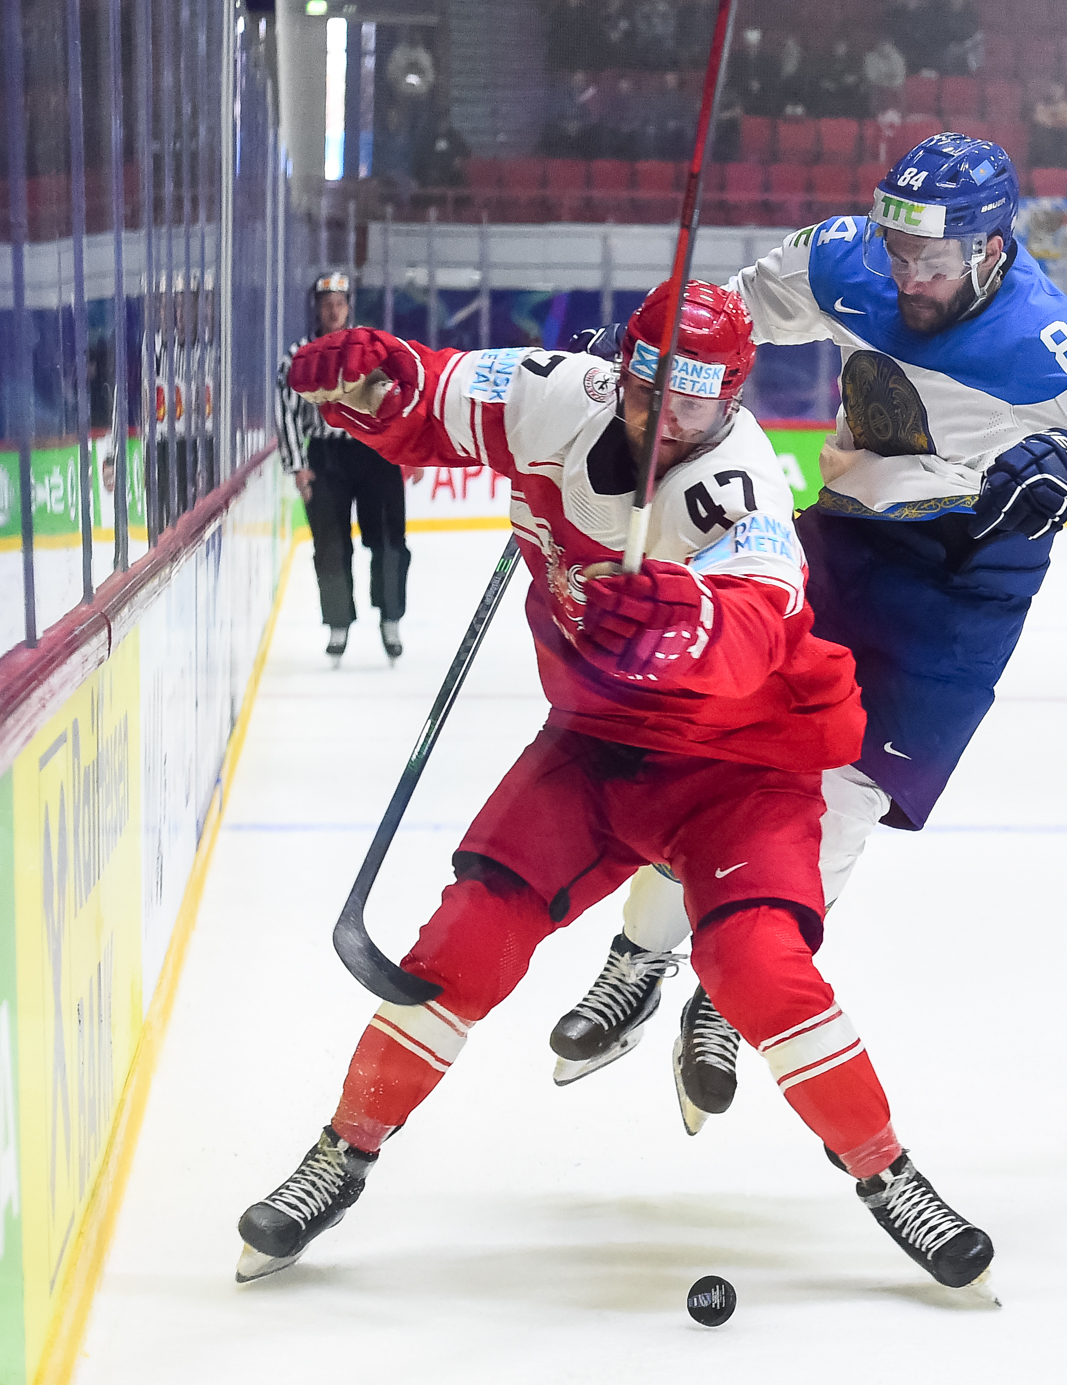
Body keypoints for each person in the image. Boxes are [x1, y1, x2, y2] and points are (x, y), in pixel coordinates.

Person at [237, 281, 997, 1295]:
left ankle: (885, 1171)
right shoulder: (555, 392)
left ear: (732, 395)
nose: (664, 421)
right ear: (622, 371)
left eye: (695, 402)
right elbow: (434, 397)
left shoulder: (740, 483)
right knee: (464, 938)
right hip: (596, 746)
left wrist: (687, 623)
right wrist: (376, 381)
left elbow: (760, 624)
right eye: (650, 390)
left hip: (740, 765)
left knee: (757, 966)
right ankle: (341, 1152)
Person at [543, 136, 1067, 1128]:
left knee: (841, 797)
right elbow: (729, 316)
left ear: (990, 246)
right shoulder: (845, 257)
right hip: (843, 539)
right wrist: (650, 358)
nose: (906, 277)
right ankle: (638, 960)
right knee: (713, 739)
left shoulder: (1052, 341)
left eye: (930, 261)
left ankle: (724, 991)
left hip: (964, 584)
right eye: (896, 253)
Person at [275, 272, 410, 664]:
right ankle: (337, 624)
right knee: (330, 545)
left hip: (375, 453)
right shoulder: (298, 355)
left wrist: (406, 448)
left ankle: (391, 619)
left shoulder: (371, 348)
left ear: (349, 305)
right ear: (316, 308)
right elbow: (285, 410)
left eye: (339, 303)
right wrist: (297, 466)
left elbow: (397, 396)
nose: (333, 310)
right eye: (326, 303)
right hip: (326, 458)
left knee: (389, 539)